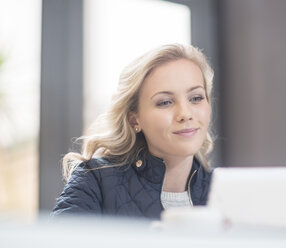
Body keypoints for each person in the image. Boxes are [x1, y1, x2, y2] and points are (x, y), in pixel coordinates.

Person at [52, 44, 215, 219]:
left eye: (196, 98)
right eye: (165, 102)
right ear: (134, 120)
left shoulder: (225, 188)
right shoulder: (95, 180)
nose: (185, 114)